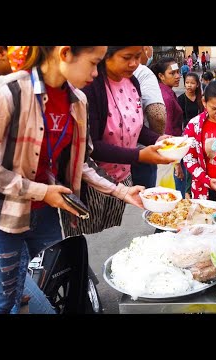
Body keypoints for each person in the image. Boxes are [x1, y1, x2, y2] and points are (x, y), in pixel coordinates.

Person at [0, 46, 148, 314]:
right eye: (93, 63)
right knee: (2, 300)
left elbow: (81, 160)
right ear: (65, 53)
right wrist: (40, 191)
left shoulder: (78, 101)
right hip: (3, 217)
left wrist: (121, 192)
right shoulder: (6, 94)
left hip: (46, 215)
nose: (96, 73)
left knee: (55, 286)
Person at [60, 46, 173, 237]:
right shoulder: (90, 85)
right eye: (127, 57)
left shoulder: (133, 82)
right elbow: (90, 146)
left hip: (121, 179)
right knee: (84, 238)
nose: (134, 64)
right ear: (106, 55)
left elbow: (133, 127)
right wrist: (139, 155)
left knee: (108, 231)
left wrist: (157, 139)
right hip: (91, 181)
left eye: (138, 57)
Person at [0, 46, 56, 314]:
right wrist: (38, 190)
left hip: (41, 211)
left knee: (37, 281)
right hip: (0, 211)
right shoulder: (0, 91)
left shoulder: (70, 97)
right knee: (2, 297)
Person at [131, 45, 168, 188]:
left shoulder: (130, 79)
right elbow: (157, 114)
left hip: (130, 155)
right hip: (142, 152)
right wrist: (155, 141)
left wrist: (156, 138)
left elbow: (130, 125)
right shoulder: (143, 72)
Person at [151, 57, 187, 198]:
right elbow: (168, 129)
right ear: (161, 76)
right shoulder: (165, 96)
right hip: (170, 154)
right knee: (172, 196)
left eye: (178, 72)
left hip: (170, 153)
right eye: (172, 73)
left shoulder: (168, 92)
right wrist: (176, 162)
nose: (178, 76)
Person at [177, 72, 204, 198]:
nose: (189, 85)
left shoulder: (201, 99)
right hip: (186, 136)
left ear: (197, 84)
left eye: (192, 83)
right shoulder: (181, 99)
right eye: (187, 83)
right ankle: (187, 193)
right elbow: (178, 121)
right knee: (188, 165)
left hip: (200, 135)